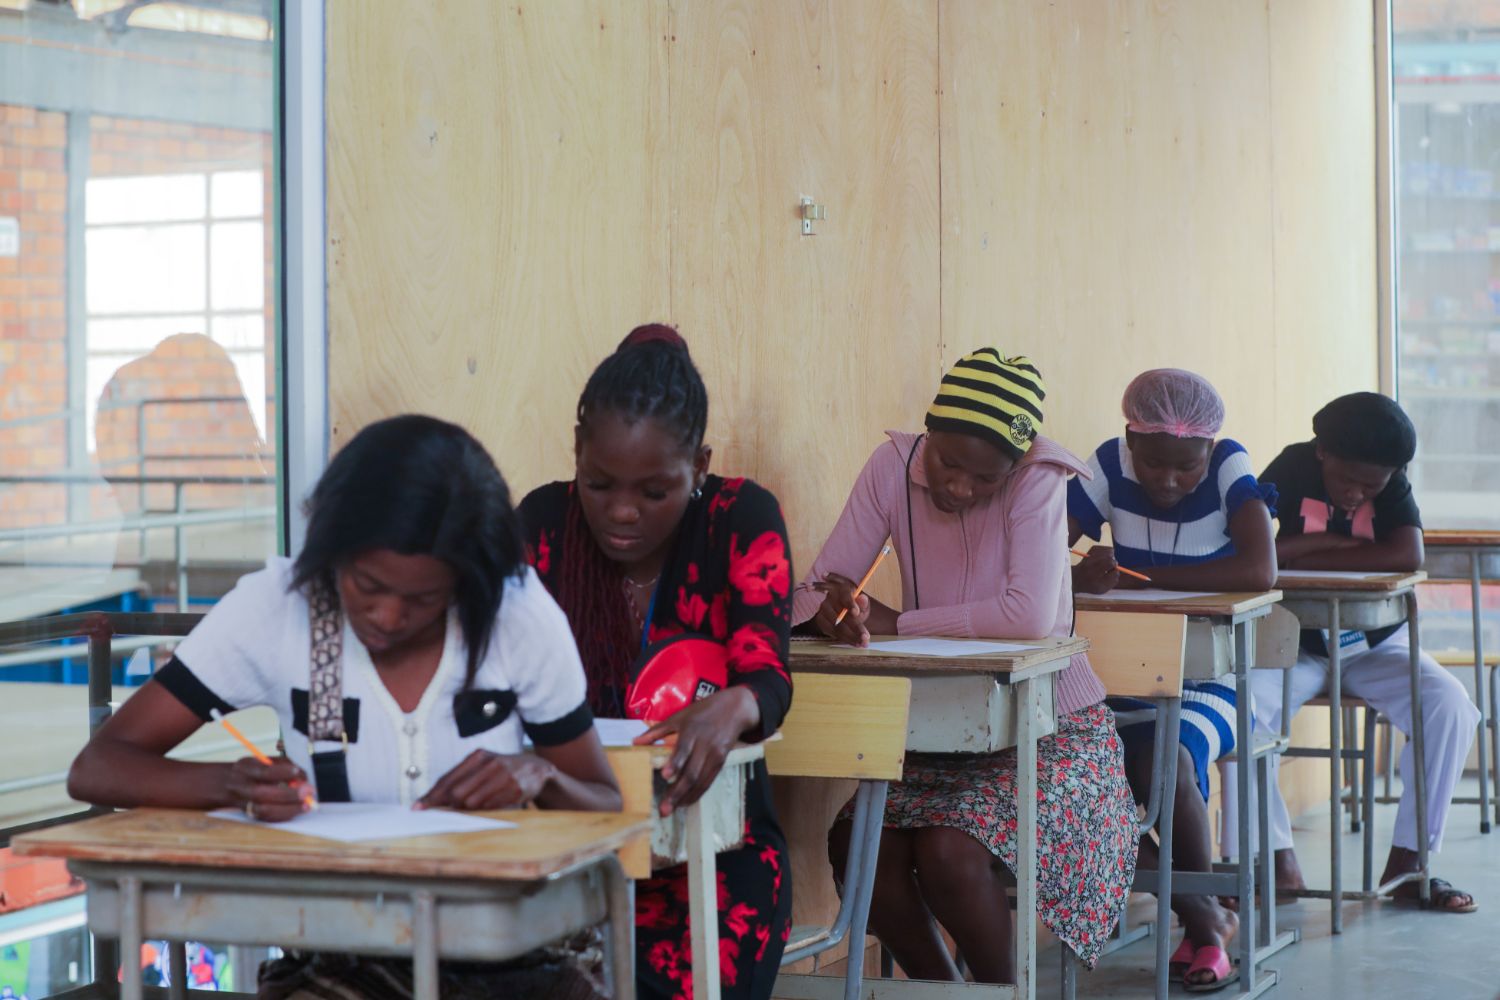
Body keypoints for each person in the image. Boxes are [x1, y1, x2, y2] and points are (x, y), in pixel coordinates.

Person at [67, 415, 622, 1000]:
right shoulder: (277, 611)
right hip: (340, 953)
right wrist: (233, 785)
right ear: (331, 552)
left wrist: (542, 774)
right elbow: (99, 766)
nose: (387, 617)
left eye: (423, 598)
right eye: (367, 585)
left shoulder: (518, 619)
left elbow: (606, 801)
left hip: (510, 950)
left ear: (467, 581)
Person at [793, 349, 1137, 985]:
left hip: (1054, 729)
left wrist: (902, 622)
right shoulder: (891, 465)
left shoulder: (1041, 476)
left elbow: (1030, 616)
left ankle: (1003, 991)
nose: (959, 487)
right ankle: (944, 992)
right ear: (929, 431)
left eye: (985, 480)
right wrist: (829, 611)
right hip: (934, 728)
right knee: (858, 851)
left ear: (1017, 464)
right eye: (948, 463)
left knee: (949, 851)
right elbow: (818, 586)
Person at [519, 325, 794, 1000]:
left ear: (699, 467)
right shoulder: (542, 526)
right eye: (599, 482)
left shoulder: (740, 518)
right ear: (576, 454)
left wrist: (736, 703)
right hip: (569, 848)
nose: (620, 512)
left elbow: (767, 674)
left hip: (715, 853)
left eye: (654, 491)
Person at [1222, 391, 1479, 913]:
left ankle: (1410, 866)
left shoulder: (1393, 480)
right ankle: (1276, 859)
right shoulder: (1292, 467)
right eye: (1348, 481)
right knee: (1237, 714)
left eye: (1374, 486)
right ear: (1322, 453)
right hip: (1295, 644)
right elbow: (1251, 551)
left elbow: (1408, 553)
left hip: (1375, 647)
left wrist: (1300, 548)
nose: (1359, 494)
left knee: (1450, 706)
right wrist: (1343, 548)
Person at [1068, 368, 1277, 992]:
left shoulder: (1230, 466)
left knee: (1165, 760)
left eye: (1184, 467)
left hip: (1208, 676)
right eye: (1153, 462)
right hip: (1117, 675)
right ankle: (1205, 915)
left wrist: (1136, 576)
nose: (1167, 479)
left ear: (1208, 450)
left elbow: (1259, 570)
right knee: (1080, 774)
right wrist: (1081, 577)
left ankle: (1205, 932)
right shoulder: (1107, 464)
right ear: (1130, 440)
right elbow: (1045, 551)